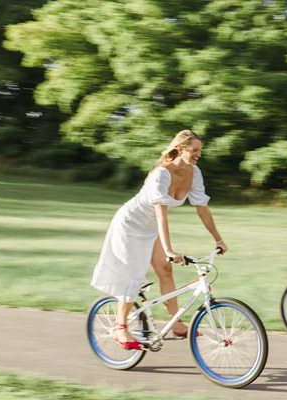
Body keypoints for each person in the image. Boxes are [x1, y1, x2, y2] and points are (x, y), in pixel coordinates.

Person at [91, 129, 228, 350]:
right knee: (133, 273)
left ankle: (178, 323)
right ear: (181, 149)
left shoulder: (194, 173)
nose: (198, 154)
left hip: (150, 228)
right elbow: (160, 214)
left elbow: (202, 208)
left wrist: (218, 239)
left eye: (200, 150)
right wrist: (169, 249)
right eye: (194, 150)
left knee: (165, 270)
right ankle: (119, 326)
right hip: (129, 225)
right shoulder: (161, 174)